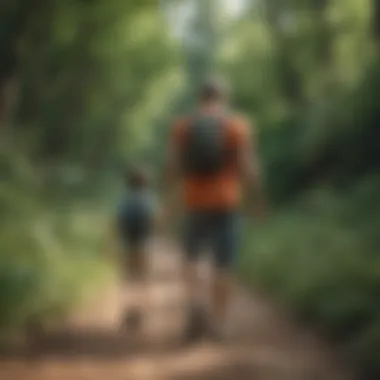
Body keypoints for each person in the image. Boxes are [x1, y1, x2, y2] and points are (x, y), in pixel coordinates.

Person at [163, 77, 266, 342]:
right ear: (224, 98)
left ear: (200, 98)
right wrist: (257, 201)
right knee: (224, 265)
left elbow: (172, 167)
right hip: (227, 203)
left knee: (190, 259)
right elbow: (248, 168)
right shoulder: (236, 126)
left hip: (194, 203)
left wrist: (169, 203)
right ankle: (218, 323)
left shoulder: (183, 126)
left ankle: (196, 305)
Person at [109, 165, 159, 330]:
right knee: (144, 279)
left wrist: (111, 242)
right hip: (145, 244)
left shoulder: (124, 200)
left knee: (130, 279)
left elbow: (116, 223)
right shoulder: (148, 200)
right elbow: (154, 223)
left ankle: (130, 312)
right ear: (146, 183)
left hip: (128, 244)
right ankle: (142, 313)